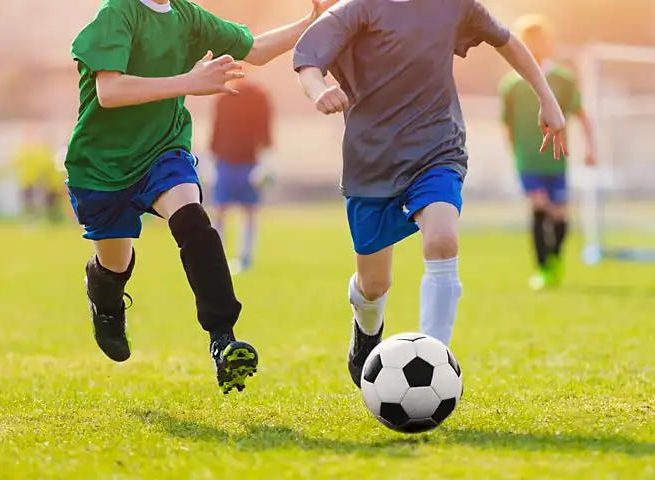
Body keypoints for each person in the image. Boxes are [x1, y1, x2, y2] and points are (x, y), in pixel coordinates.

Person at [293, 0, 568, 388]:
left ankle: (433, 363)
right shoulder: (357, 8)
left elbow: (507, 42)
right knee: (373, 285)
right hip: (371, 161)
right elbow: (307, 57)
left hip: (437, 149)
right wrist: (318, 90)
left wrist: (547, 98)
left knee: (441, 240)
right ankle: (366, 327)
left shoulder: (456, 5)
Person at [65, 0, 336, 394]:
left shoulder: (187, 14)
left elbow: (255, 50)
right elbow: (110, 90)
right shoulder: (119, 12)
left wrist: (312, 21)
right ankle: (104, 295)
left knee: (193, 221)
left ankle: (223, 339)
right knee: (114, 264)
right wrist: (188, 82)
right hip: (102, 166)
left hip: (162, 150)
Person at [500, 15, 596, 290]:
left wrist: (590, 148)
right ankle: (542, 269)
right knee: (539, 206)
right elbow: (506, 125)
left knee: (561, 217)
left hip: (556, 161)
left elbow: (581, 115)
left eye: (539, 40)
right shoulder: (511, 85)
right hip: (527, 160)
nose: (534, 45)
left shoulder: (563, 79)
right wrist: (514, 157)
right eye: (528, 40)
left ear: (549, 43)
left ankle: (554, 260)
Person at [209, 77, 273, 274]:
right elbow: (216, 131)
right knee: (219, 210)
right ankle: (214, 258)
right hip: (224, 162)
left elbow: (265, 131)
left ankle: (245, 258)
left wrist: (265, 163)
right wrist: (210, 161)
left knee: (250, 211)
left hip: (250, 162)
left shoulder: (259, 96)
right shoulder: (223, 96)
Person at [12, 126, 61, 223]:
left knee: (43, 202)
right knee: (28, 202)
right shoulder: (22, 150)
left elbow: (45, 165)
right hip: (26, 181)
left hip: (39, 181)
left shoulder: (41, 150)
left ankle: (47, 219)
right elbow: (15, 163)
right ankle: (30, 219)